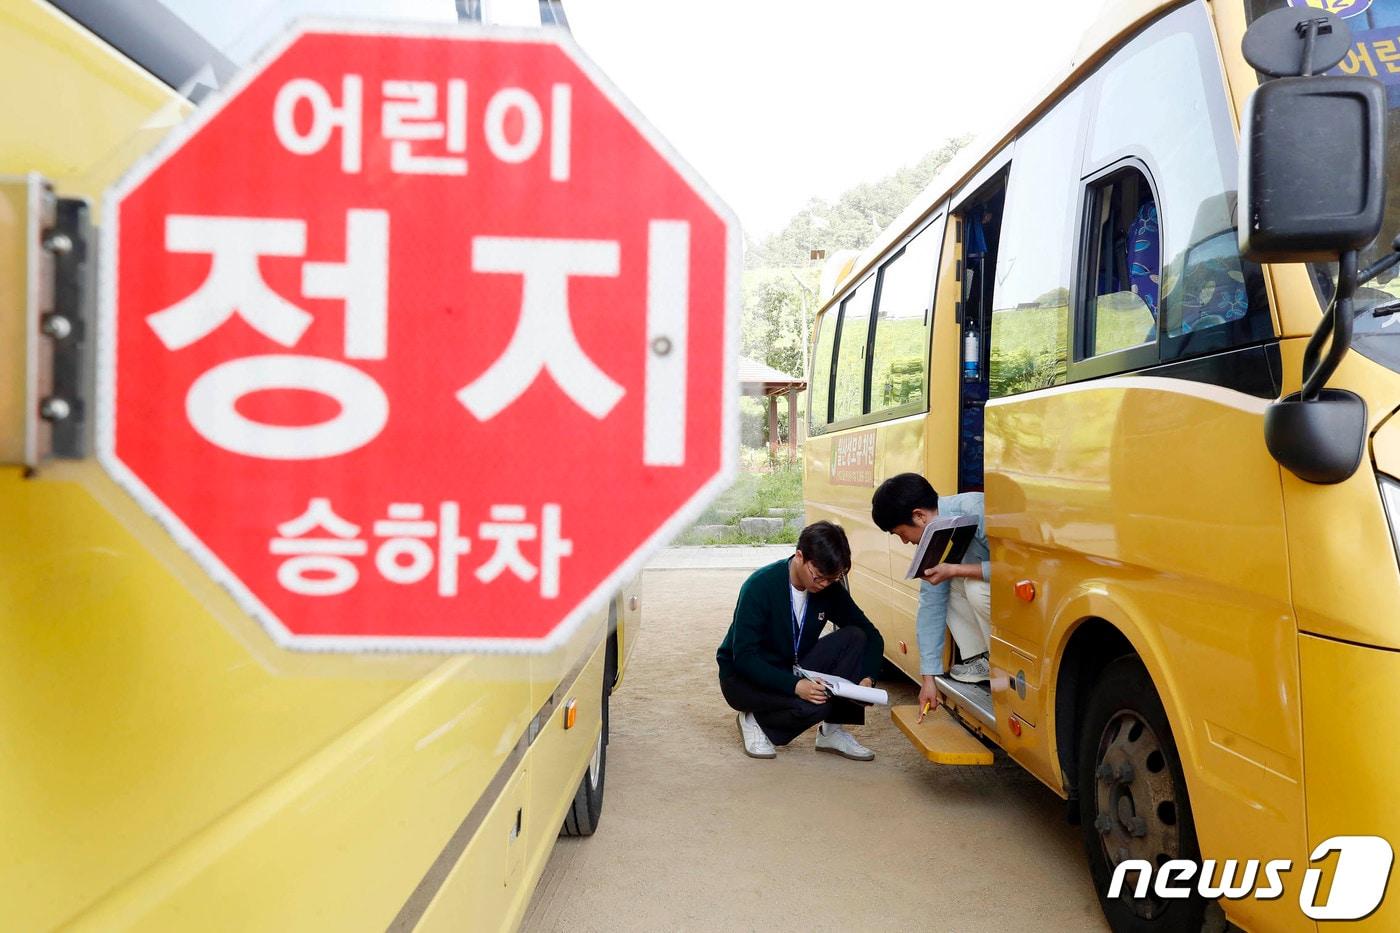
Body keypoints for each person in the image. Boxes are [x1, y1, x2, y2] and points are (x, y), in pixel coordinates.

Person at [716, 521, 885, 760]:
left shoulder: (828, 588)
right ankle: (755, 720)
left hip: (793, 666)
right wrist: (795, 687)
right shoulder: (760, 586)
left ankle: (831, 731)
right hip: (744, 678)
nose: (824, 584)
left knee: (855, 637)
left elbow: (871, 635)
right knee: (816, 704)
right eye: (818, 577)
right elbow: (744, 658)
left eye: (832, 579)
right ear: (799, 556)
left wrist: (867, 679)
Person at [871, 473, 992, 719]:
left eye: (901, 533)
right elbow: (931, 607)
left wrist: (957, 569)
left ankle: (1003, 663)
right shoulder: (935, 534)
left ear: (919, 516)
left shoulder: (978, 509)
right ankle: (984, 661)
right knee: (945, 584)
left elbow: (1020, 568)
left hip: (1033, 597)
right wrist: (928, 679)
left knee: (973, 586)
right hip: (998, 596)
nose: (905, 541)